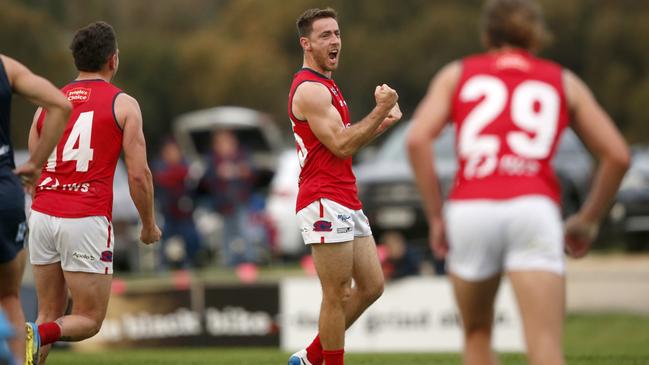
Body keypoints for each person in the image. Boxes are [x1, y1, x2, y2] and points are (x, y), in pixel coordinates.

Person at [406, 1, 630, 364]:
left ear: (487, 35)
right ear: (537, 37)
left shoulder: (458, 73)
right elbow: (617, 155)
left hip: (471, 206)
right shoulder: (562, 79)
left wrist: (436, 216)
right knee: (544, 347)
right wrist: (587, 220)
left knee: (477, 335)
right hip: (532, 206)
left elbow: (417, 140)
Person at [25, 21, 161, 365]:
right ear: (113, 60)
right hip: (84, 218)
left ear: (76, 60)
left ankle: (34, 338)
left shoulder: (47, 103)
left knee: (48, 314)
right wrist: (148, 224)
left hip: (42, 213)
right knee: (88, 320)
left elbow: (33, 165)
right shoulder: (124, 104)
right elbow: (139, 174)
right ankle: (36, 335)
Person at [287, 8, 402, 365]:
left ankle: (308, 357)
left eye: (337, 33)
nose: (335, 41)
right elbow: (341, 144)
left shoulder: (327, 85)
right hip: (323, 198)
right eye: (325, 35)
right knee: (337, 293)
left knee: (372, 286)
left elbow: (342, 142)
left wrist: (381, 120)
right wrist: (380, 108)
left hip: (344, 196)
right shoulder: (309, 89)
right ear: (306, 44)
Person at [0, 53, 71, 365]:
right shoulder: (5, 66)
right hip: (5, 191)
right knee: (8, 297)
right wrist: (35, 163)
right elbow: (60, 105)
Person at [203, 129, 258, 267]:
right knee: (226, 233)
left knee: (244, 229)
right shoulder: (212, 159)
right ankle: (228, 261)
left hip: (241, 200)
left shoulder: (242, 155)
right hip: (223, 203)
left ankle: (249, 258)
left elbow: (252, 173)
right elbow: (206, 180)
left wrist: (237, 171)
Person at [153, 138, 202, 269]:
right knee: (161, 239)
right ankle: (162, 266)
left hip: (185, 215)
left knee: (193, 238)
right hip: (167, 213)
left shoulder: (188, 165)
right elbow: (164, 179)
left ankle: (190, 263)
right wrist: (183, 174)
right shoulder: (159, 166)